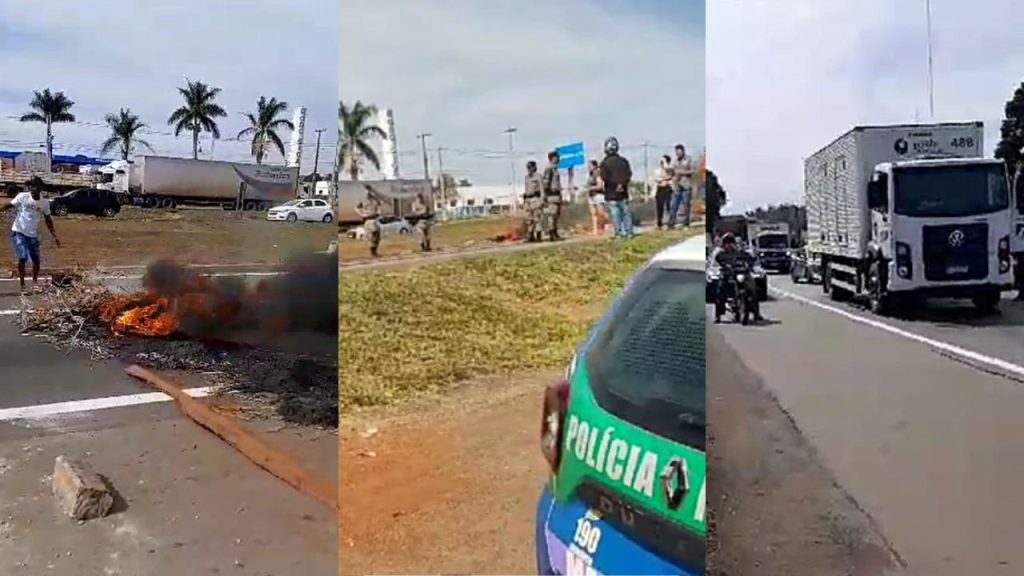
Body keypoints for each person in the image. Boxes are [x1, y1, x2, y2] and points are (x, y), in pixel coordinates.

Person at [0, 176, 61, 293]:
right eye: (32, 186)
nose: (34, 188)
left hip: (32, 234)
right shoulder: (23, 197)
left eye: (37, 186)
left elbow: (48, 220)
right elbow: (9, 205)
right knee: (22, 257)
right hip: (18, 231)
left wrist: (54, 235)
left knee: (36, 260)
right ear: (30, 187)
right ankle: (22, 284)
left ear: (41, 187)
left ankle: (34, 282)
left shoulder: (44, 203)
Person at [713, 232, 762, 323]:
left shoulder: (741, 253)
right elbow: (717, 262)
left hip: (743, 275)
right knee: (720, 291)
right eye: (727, 242)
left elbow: (751, 259)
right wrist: (725, 267)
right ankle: (718, 315)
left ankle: (756, 313)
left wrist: (750, 265)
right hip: (728, 276)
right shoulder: (721, 254)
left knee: (753, 289)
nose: (729, 245)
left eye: (731, 242)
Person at [599, 136, 634, 239]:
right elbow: (628, 174)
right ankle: (629, 232)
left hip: (611, 193)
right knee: (626, 213)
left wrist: (615, 185)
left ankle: (618, 234)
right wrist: (622, 185)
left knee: (615, 215)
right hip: (623, 192)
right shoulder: (624, 161)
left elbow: (604, 177)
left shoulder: (604, 163)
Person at [668, 144, 695, 229]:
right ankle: (671, 223)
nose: (678, 154)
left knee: (686, 205)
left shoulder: (688, 159)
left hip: (686, 185)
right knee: (673, 205)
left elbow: (692, 171)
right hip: (677, 185)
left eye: (679, 152)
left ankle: (686, 224)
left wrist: (681, 172)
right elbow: (673, 172)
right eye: (676, 152)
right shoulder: (675, 161)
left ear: (683, 151)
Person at [541, 151, 563, 241]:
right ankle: (551, 233)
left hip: (557, 195)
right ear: (552, 159)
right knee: (552, 215)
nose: (558, 159)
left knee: (556, 215)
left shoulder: (555, 169)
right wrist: (545, 195)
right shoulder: (549, 169)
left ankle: (555, 231)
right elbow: (545, 183)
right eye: (556, 158)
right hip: (551, 195)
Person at [356, 187, 383, 258]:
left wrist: (379, 212)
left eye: (370, 192)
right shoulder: (363, 200)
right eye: (367, 192)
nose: (369, 193)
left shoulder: (375, 200)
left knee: (377, 236)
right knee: (371, 236)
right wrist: (362, 214)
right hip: (368, 220)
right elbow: (357, 208)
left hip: (375, 219)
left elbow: (379, 206)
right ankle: (372, 252)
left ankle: (375, 251)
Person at [585, 160, 609, 236]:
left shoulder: (598, 174)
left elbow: (600, 186)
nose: (588, 167)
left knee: (601, 212)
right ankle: (595, 230)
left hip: (598, 195)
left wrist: (590, 188)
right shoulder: (589, 175)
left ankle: (607, 223)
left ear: (594, 166)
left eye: (590, 166)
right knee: (593, 213)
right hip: (591, 196)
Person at [523, 161, 544, 242]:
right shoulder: (527, 177)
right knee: (529, 219)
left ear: (534, 167)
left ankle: (538, 235)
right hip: (528, 200)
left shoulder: (538, 177)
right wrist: (525, 200)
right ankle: (530, 235)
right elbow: (526, 189)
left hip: (536, 199)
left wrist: (542, 200)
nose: (529, 169)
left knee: (537, 218)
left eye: (530, 167)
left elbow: (542, 189)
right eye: (528, 167)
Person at [654, 155, 674, 229]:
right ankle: (659, 222)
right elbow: (657, 179)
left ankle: (670, 222)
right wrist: (665, 178)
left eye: (665, 162)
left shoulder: (670, 169)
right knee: (660, 207)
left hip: (668, 188)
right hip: (660, 188)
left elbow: (671, 177)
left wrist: (665, 178)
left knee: (669, 206)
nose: (663, 163)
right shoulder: (657, 170)